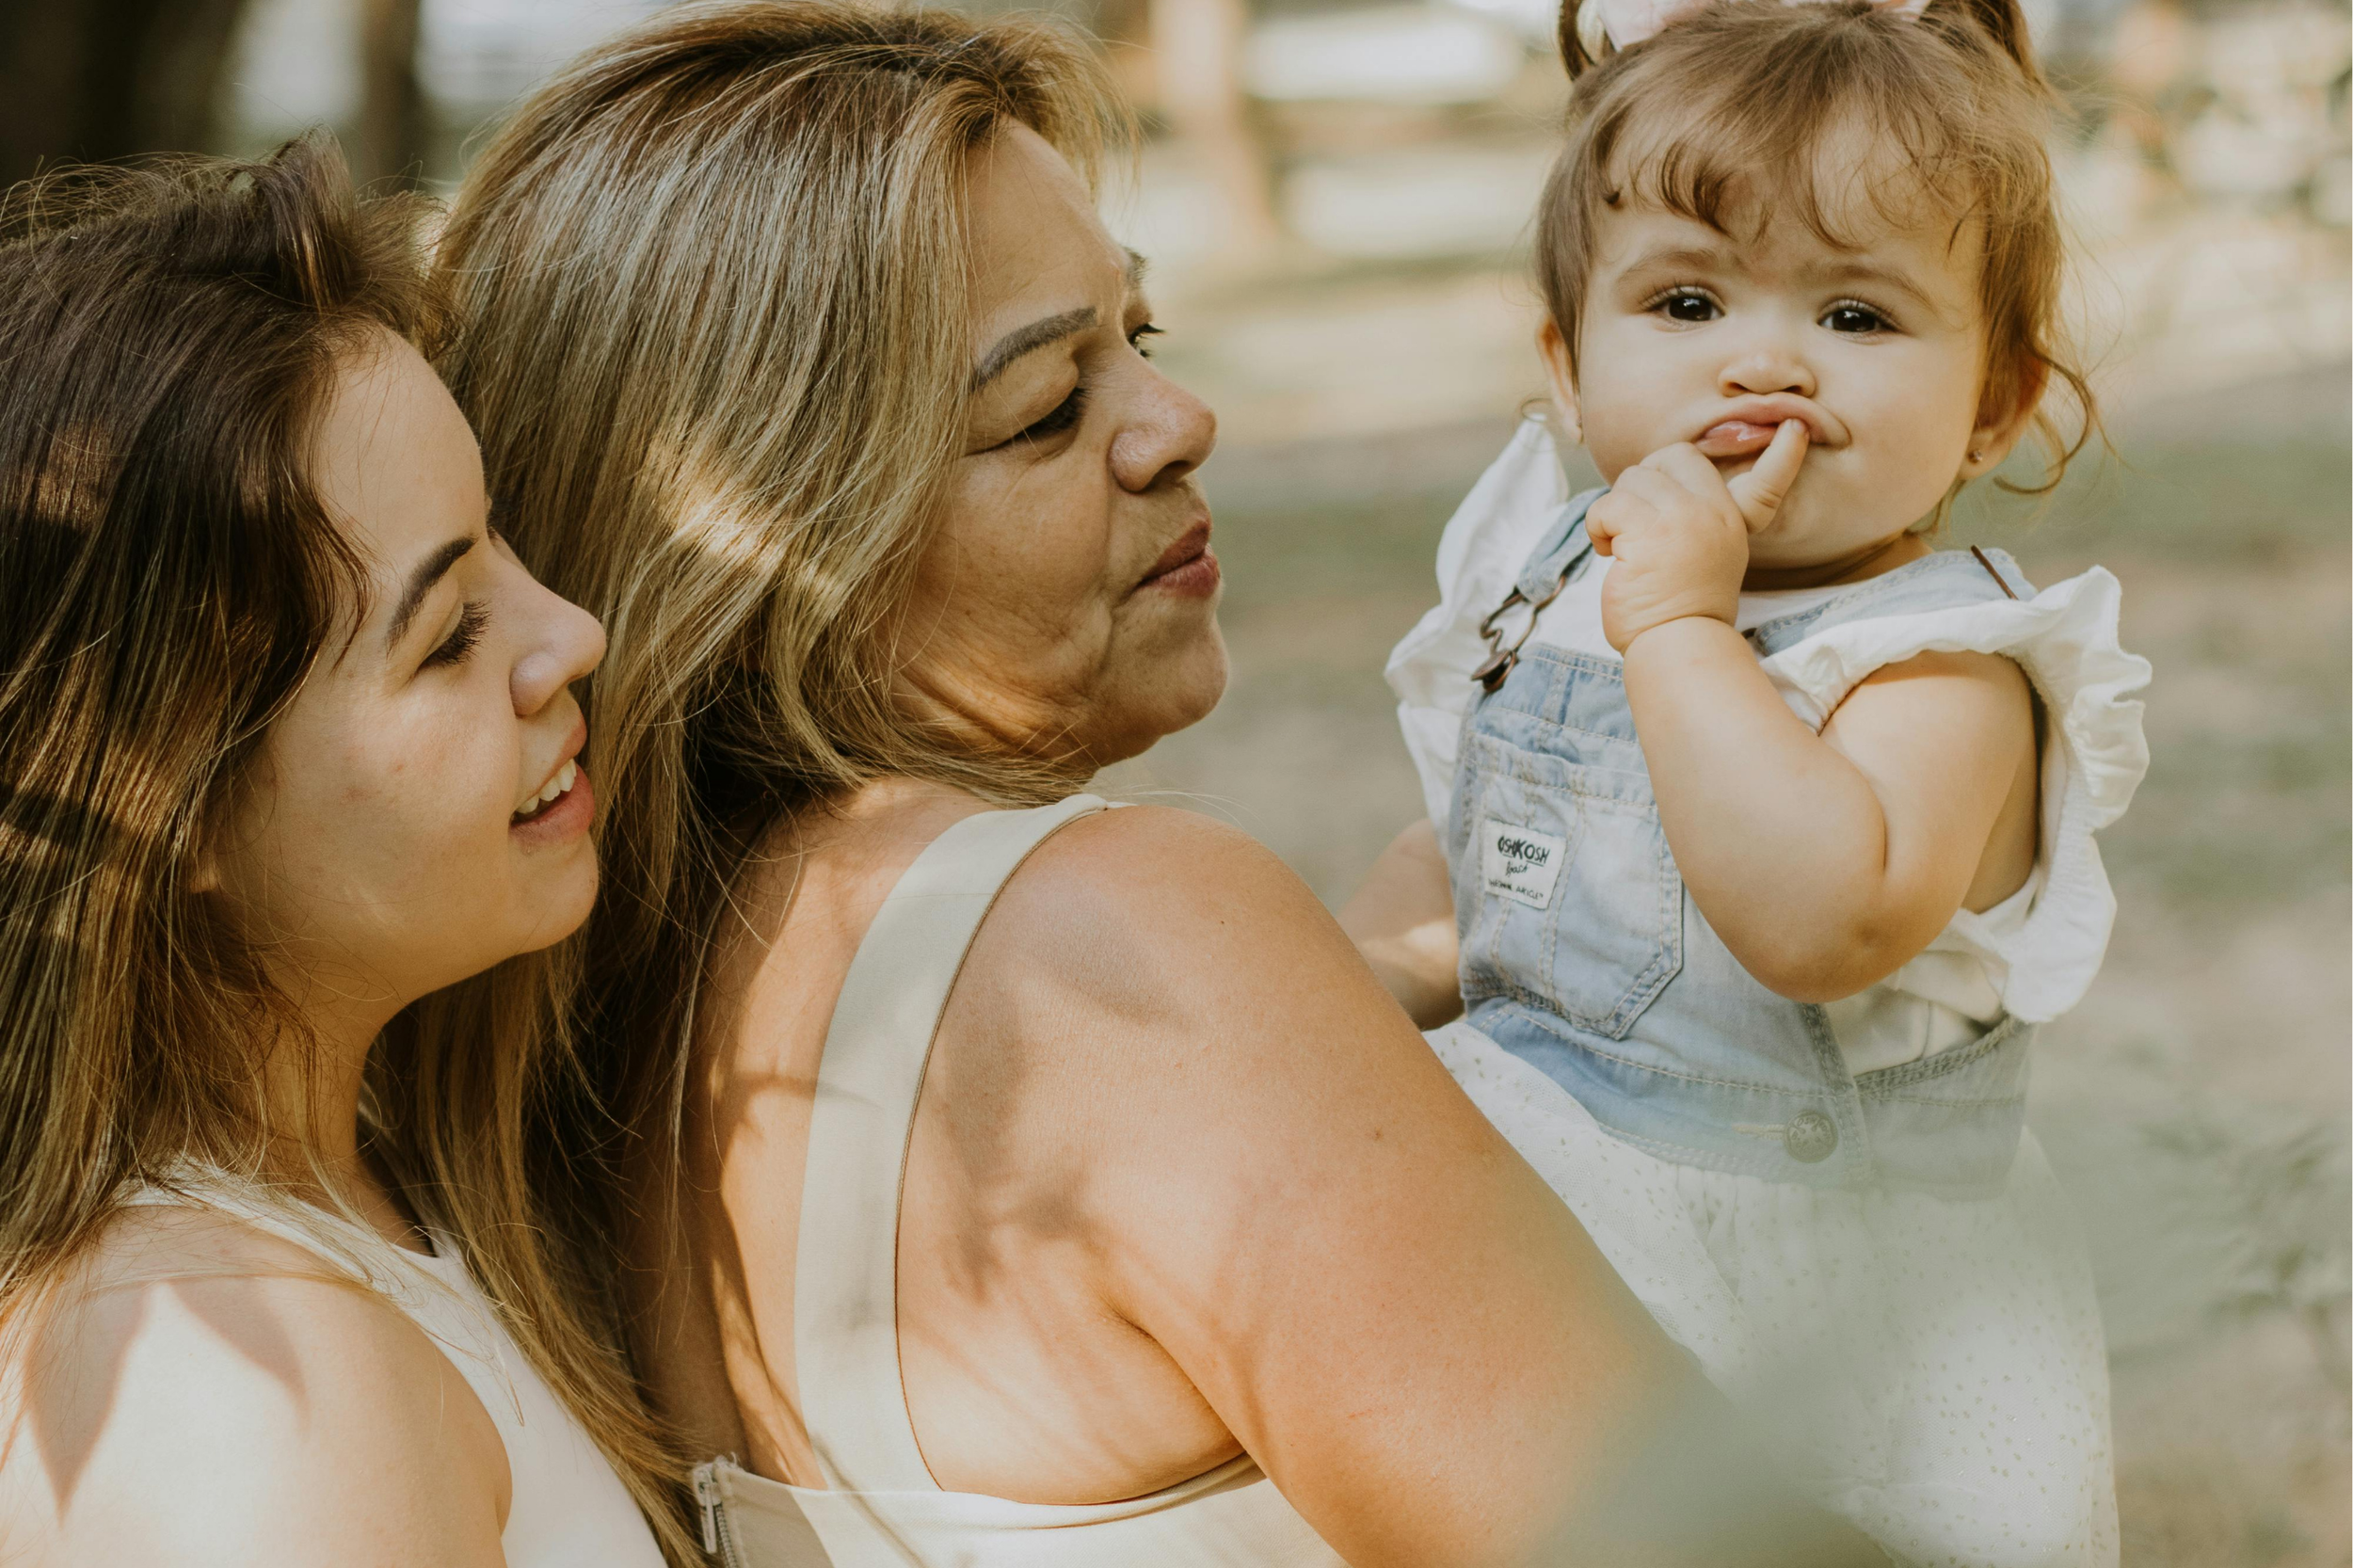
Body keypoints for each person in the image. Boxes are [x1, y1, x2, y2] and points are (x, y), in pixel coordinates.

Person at [435, 5, 1889, 1563]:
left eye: (1144, 341)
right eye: (1047, 409)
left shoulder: (589, 1014)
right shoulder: (1110, 948)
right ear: (774, 550)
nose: (1177, 423)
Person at [1352, 0, 2153, 1561]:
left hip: (1807, 1326)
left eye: (1857, 317)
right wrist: (1337, 997)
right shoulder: (1542, 576)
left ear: (1995, 399)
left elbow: (1814, 916)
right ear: (1567, 367)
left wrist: (1677, 624)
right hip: (1537, 1236)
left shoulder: (1944, 667)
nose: (1765, 360)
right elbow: (1467, 861)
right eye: (1688, 300)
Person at [0, 141, 680, 1566]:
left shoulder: (358, 1183)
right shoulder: (251, 1401)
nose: (572, 634)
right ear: (152, 802)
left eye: (500, 541)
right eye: (445, 636)